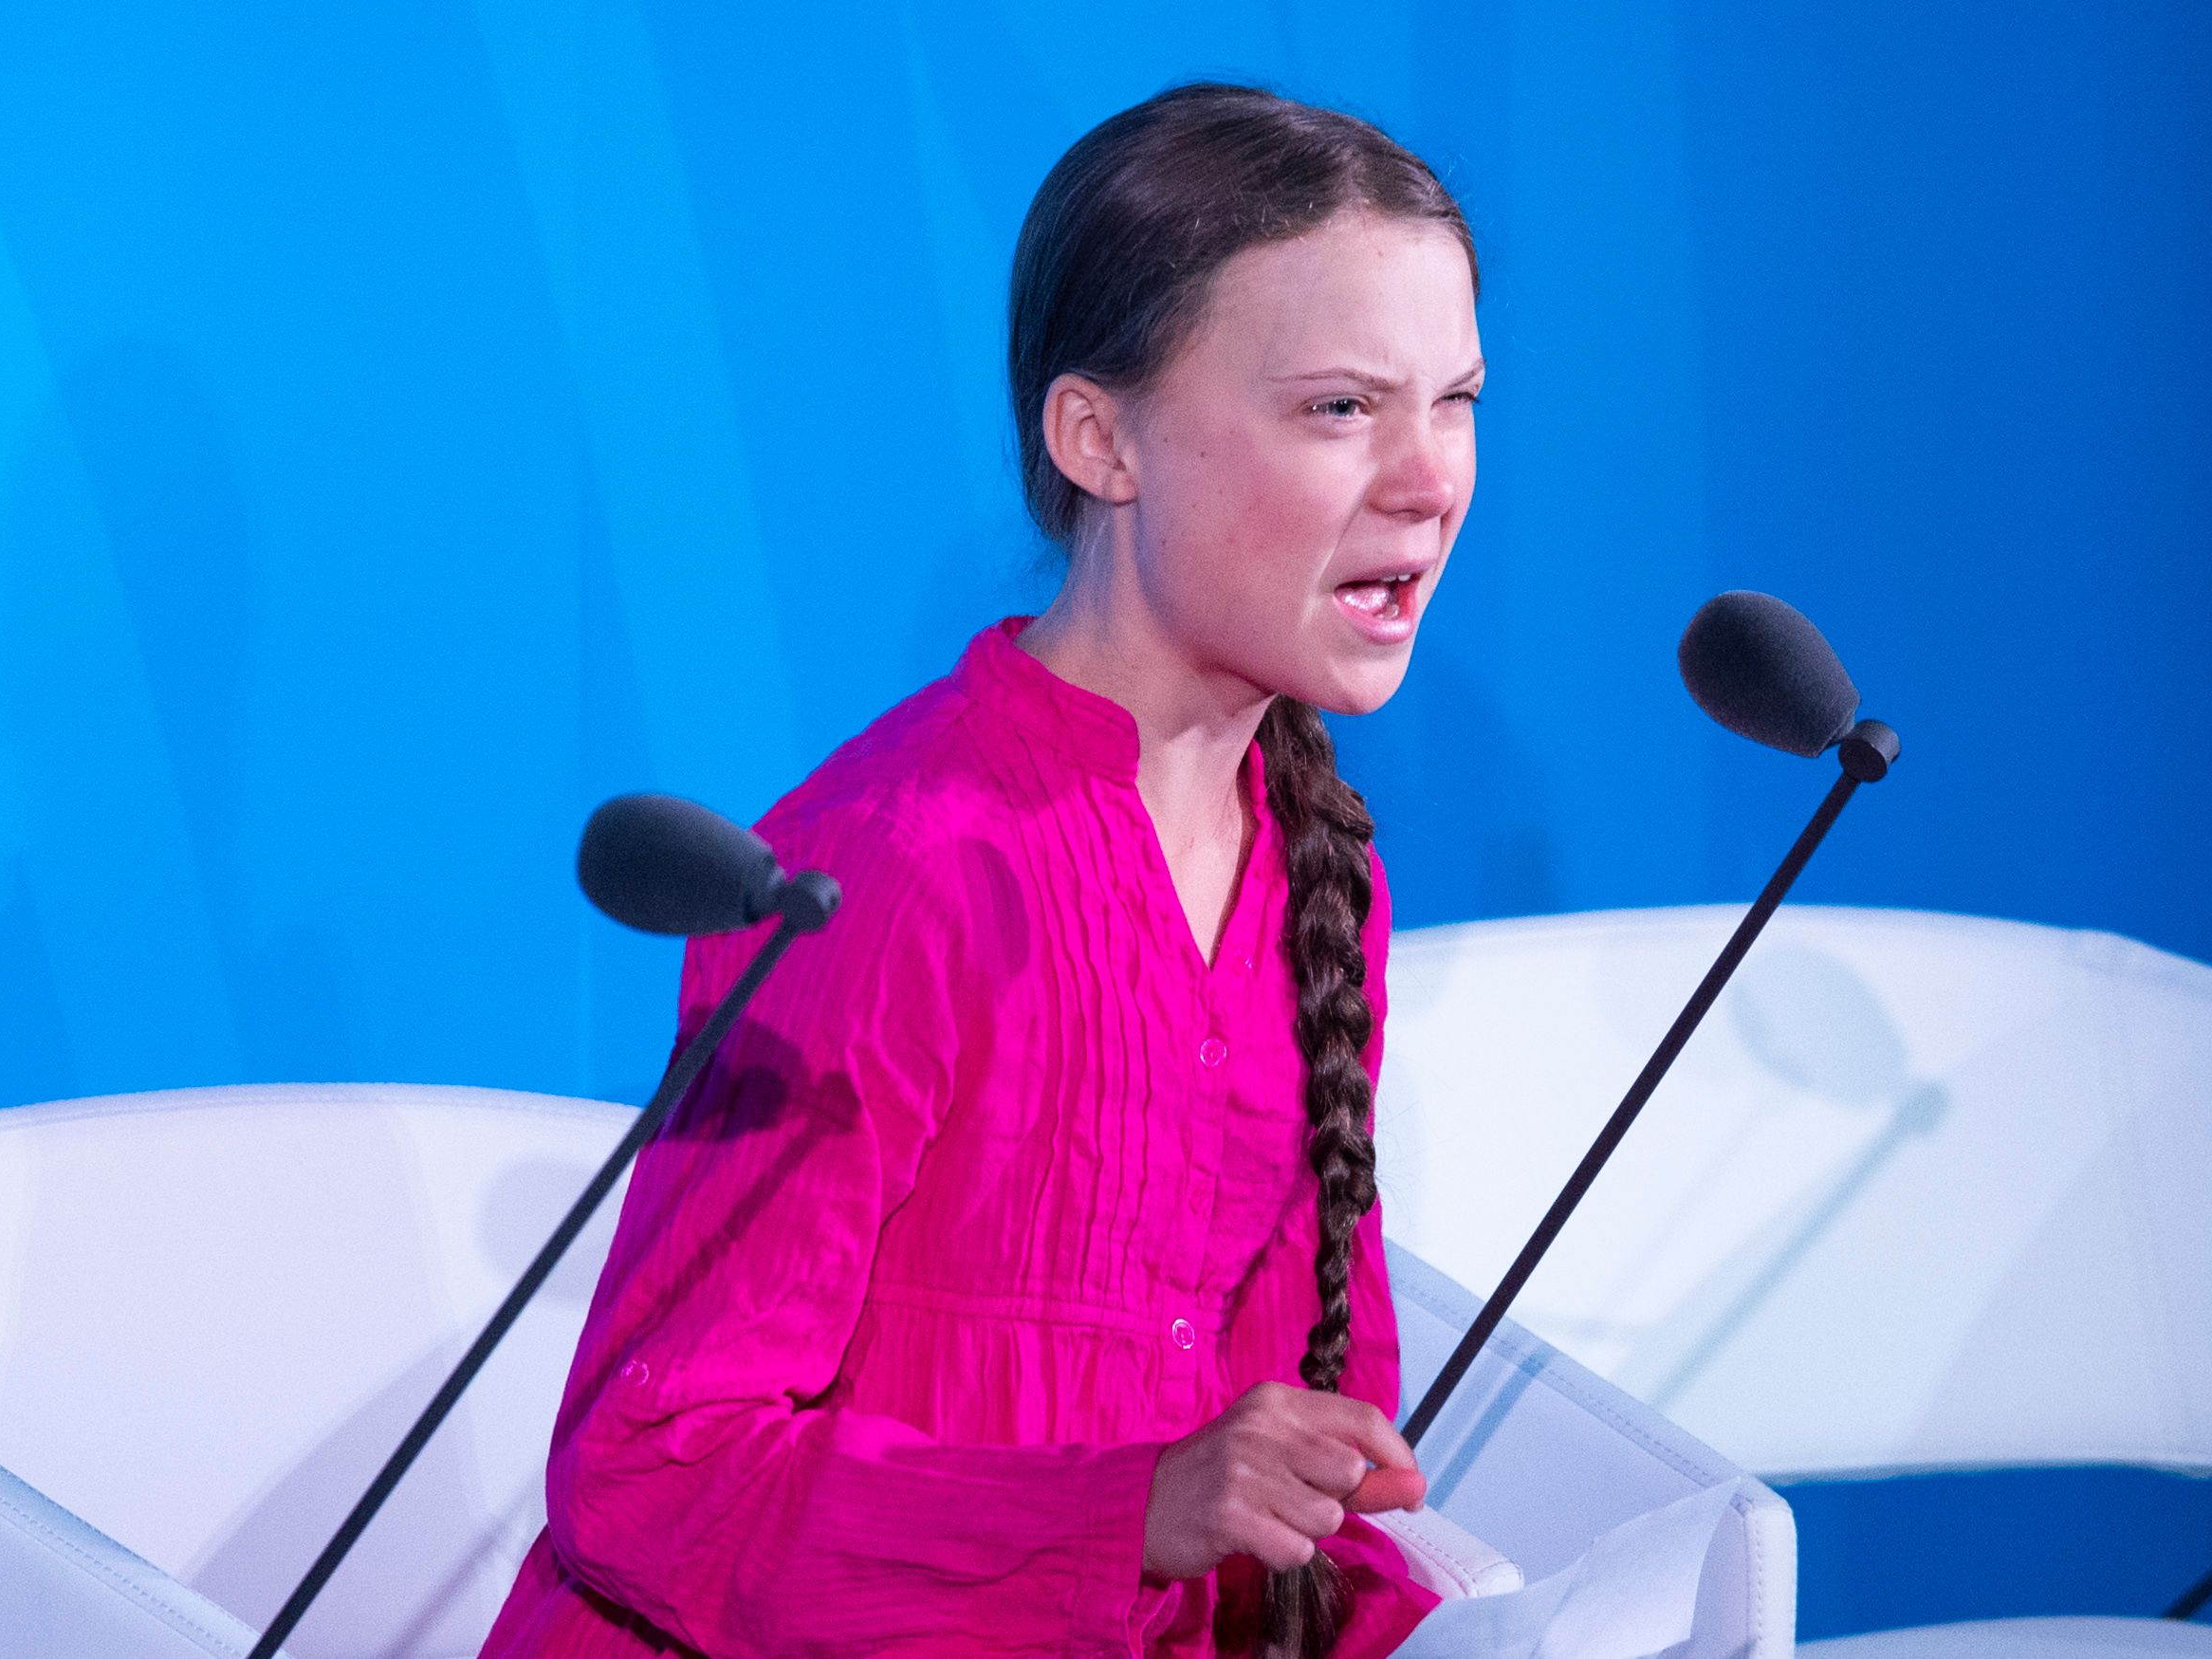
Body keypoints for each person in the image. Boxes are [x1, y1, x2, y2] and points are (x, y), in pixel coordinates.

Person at [478, 81, 1483, 1659]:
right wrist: (1132, 1507)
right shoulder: (895, 867)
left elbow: (1292, 1496)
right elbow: (647, 1471)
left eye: (1459, 401)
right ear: (1101, 437)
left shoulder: (1316, 873)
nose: (1429, 477)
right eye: (1342, 408)